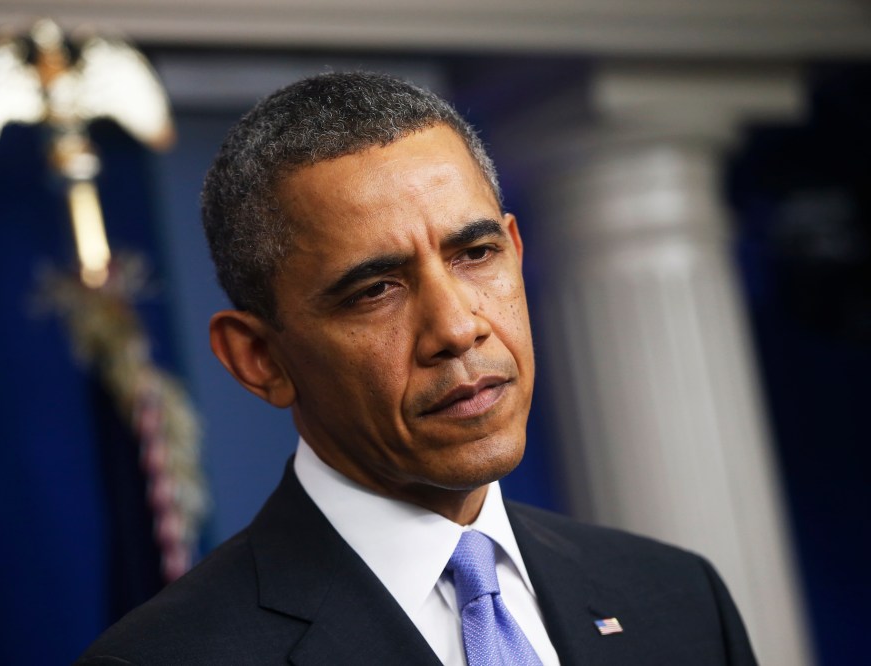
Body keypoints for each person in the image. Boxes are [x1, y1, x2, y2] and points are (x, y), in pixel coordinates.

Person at [76, 71, 756, 665]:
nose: (457, 328)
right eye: (375, 290)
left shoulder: (679, 598)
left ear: (515, 251)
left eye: (476, 254)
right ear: (259, 359)